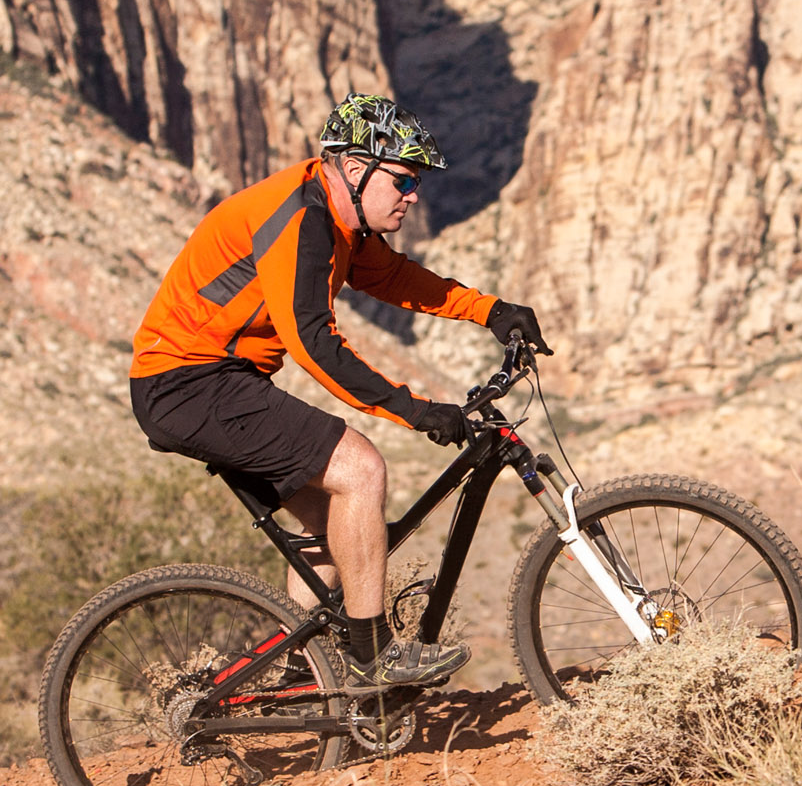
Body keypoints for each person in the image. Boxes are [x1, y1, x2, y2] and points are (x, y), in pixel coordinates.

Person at [130, 93, 549, 688]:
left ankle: (303, 676)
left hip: (212, 381)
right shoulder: (301, 218)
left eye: (417, 183)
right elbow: (310, 341)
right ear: (356, 169)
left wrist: (491, 311)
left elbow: (398, 279)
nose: (413, 196)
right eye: (403, 179)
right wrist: (414, 409)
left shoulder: (338, 220)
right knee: (362, 469)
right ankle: (373, 656)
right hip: (188, 382)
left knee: (336, 525)